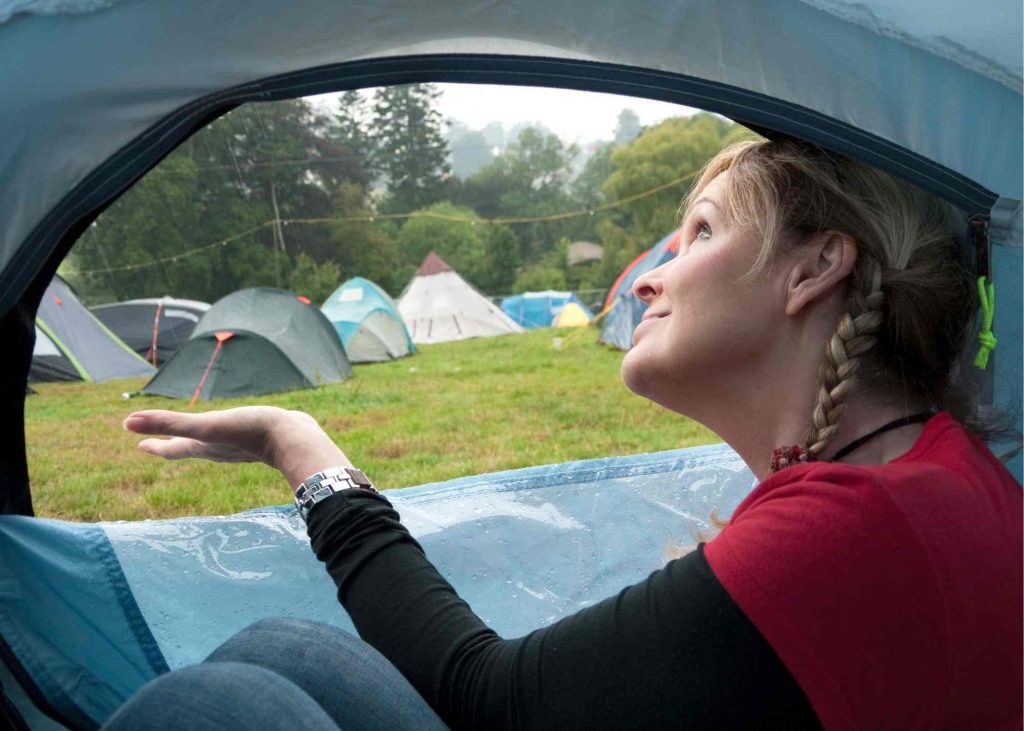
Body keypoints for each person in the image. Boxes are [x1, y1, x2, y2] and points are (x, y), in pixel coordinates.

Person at [104, 139, 1022, 730]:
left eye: (697, 232)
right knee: (281, 650)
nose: (651, 278)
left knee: (214, 705)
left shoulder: (857, 528)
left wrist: (298, 448)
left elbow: (497, 699)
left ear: (816, 268)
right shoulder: (926, 469)